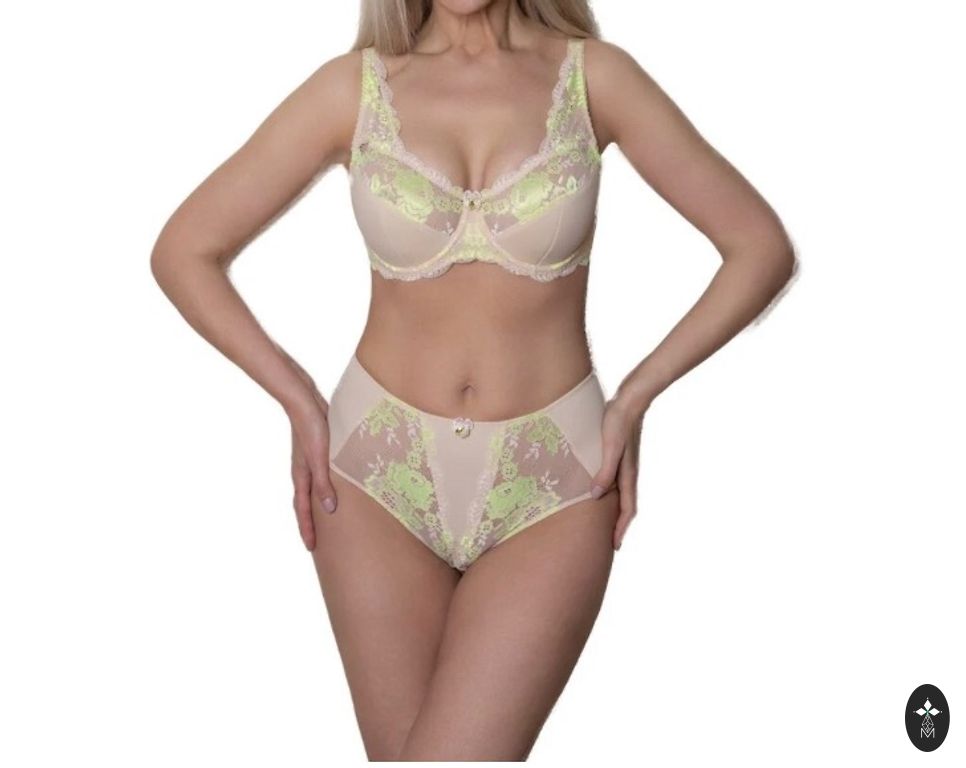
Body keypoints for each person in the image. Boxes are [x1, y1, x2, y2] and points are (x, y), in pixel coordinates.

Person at [150, 0, 798, 760]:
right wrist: (297, 398)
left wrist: (636, 396)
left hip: (556, 479)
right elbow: (185, 250)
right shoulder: (353, 89)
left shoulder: (594, 78)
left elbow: (759, 247)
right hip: (374, 473)